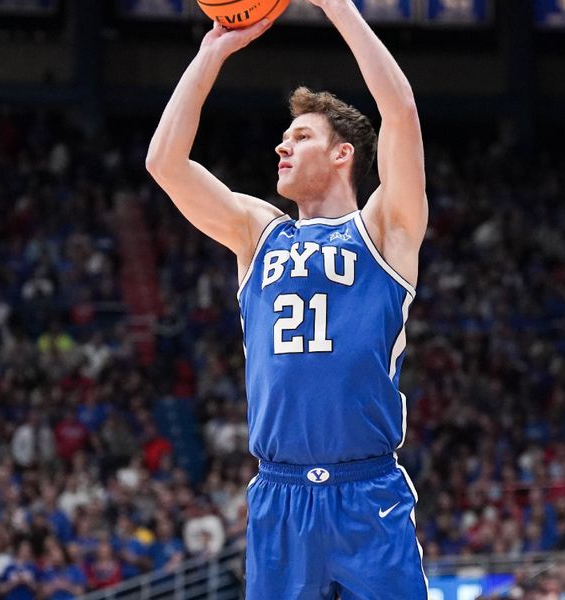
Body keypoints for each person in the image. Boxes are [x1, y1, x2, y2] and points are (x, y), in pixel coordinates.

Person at [146, 0, 427, 596]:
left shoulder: (385, 228)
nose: (283, 147)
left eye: (300, 137)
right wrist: (211, 52)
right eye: (283, 138)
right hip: (280, 494)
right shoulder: (257, 232)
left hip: (368, 493)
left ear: (342, 153)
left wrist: (338, 8)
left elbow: (399, 110)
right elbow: (164, 162)